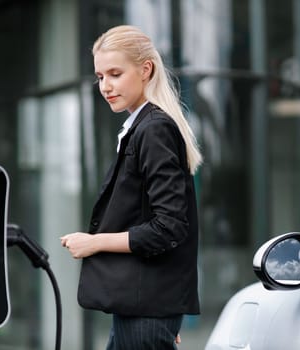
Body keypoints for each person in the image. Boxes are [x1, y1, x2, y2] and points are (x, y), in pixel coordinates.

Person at [60, 25, 202, 350]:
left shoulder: (152, 130)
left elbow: (169, 227)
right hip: (143, 308)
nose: (105, 86)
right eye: (99, 77)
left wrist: (94, 243)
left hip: (146, 310)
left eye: (114, 73)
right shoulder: (143, 126)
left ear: (145, 70)